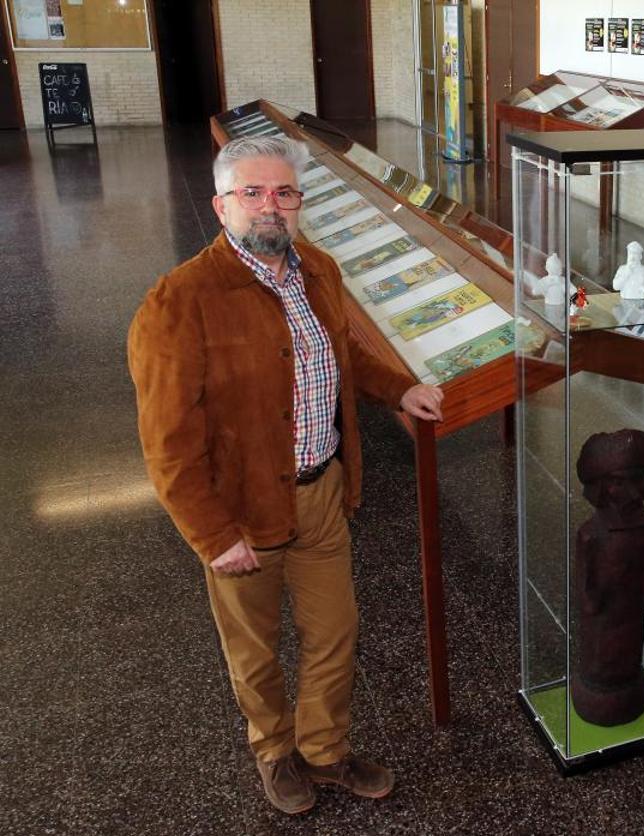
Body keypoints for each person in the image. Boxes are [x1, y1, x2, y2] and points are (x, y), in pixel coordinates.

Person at [128, 136, 444, 815]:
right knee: (255, 648)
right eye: (253, 192)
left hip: (321, 493)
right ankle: (274, 751)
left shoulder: (320, 271)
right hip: (241, 511)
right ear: (221, 205)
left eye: (285, 193)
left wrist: (398, 390)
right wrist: (213, 534)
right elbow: (167, 442)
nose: (271, 206)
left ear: (301, 204)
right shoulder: (179, 301)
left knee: (335, 631)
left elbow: (345, 361)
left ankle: (325, 752)